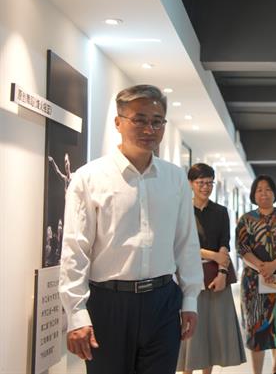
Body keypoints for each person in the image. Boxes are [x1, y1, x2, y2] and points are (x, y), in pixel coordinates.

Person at [59, 84, 203, 374]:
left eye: (157, 121)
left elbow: (186, 243)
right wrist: (76, 313)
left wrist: (190, 299)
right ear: (118, 122)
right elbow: (76, 248)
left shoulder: (175, 178)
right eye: (139, 120)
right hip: (108, 303)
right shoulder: (89, 177)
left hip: (163, 301)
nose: (149, 129)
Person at [177, 163, 246, 373]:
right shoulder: (182, 210)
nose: (205, 187)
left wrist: (222, 273)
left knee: (213, 333)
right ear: (190, 183)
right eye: (201, 183)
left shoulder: (221, 211)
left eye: (209, 183)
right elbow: (181, 244)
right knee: (190, 332)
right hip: (188, 277)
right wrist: (213, 255)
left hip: (216, 276)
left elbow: (225, 243)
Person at [236, 175, 276, 374]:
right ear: (254, 195)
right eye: (259, 190)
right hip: (254, 281)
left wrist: (273, 266)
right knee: (256, 327)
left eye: (268, 189)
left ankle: (275, 367)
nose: (264, 193)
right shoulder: (246, 219)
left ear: (274, 193)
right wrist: (262, 268)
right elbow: (242, 248)